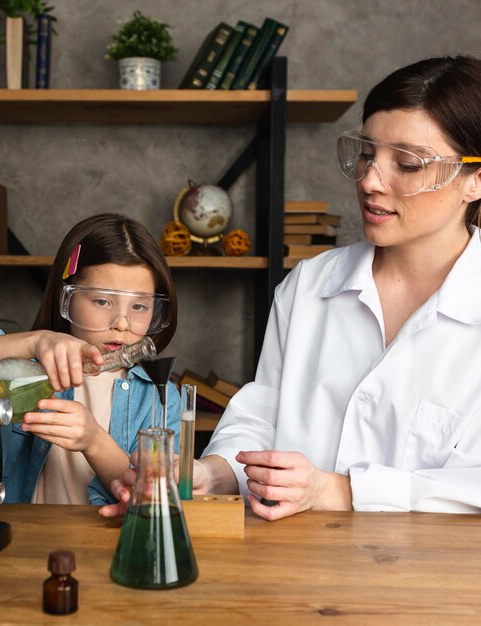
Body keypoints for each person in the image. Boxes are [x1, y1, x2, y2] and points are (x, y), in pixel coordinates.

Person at [101, 55, 481, 520]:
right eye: (366, 153)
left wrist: (341, 491)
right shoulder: (309, 286)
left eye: (406, 163)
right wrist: (211, 473)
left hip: (435, 584)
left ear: (475, 180)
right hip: (297, 571)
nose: (369, 181)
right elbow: (261, 419)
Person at [0, 213, 180, 505]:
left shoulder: (160, 396)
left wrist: (94, 441)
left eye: (140, 306)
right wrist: (33, 341)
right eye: (103, 301)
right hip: (24, 545)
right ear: (65, 298)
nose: (123, 323)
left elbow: (158, 499)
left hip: (108, 547)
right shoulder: (23, 368)